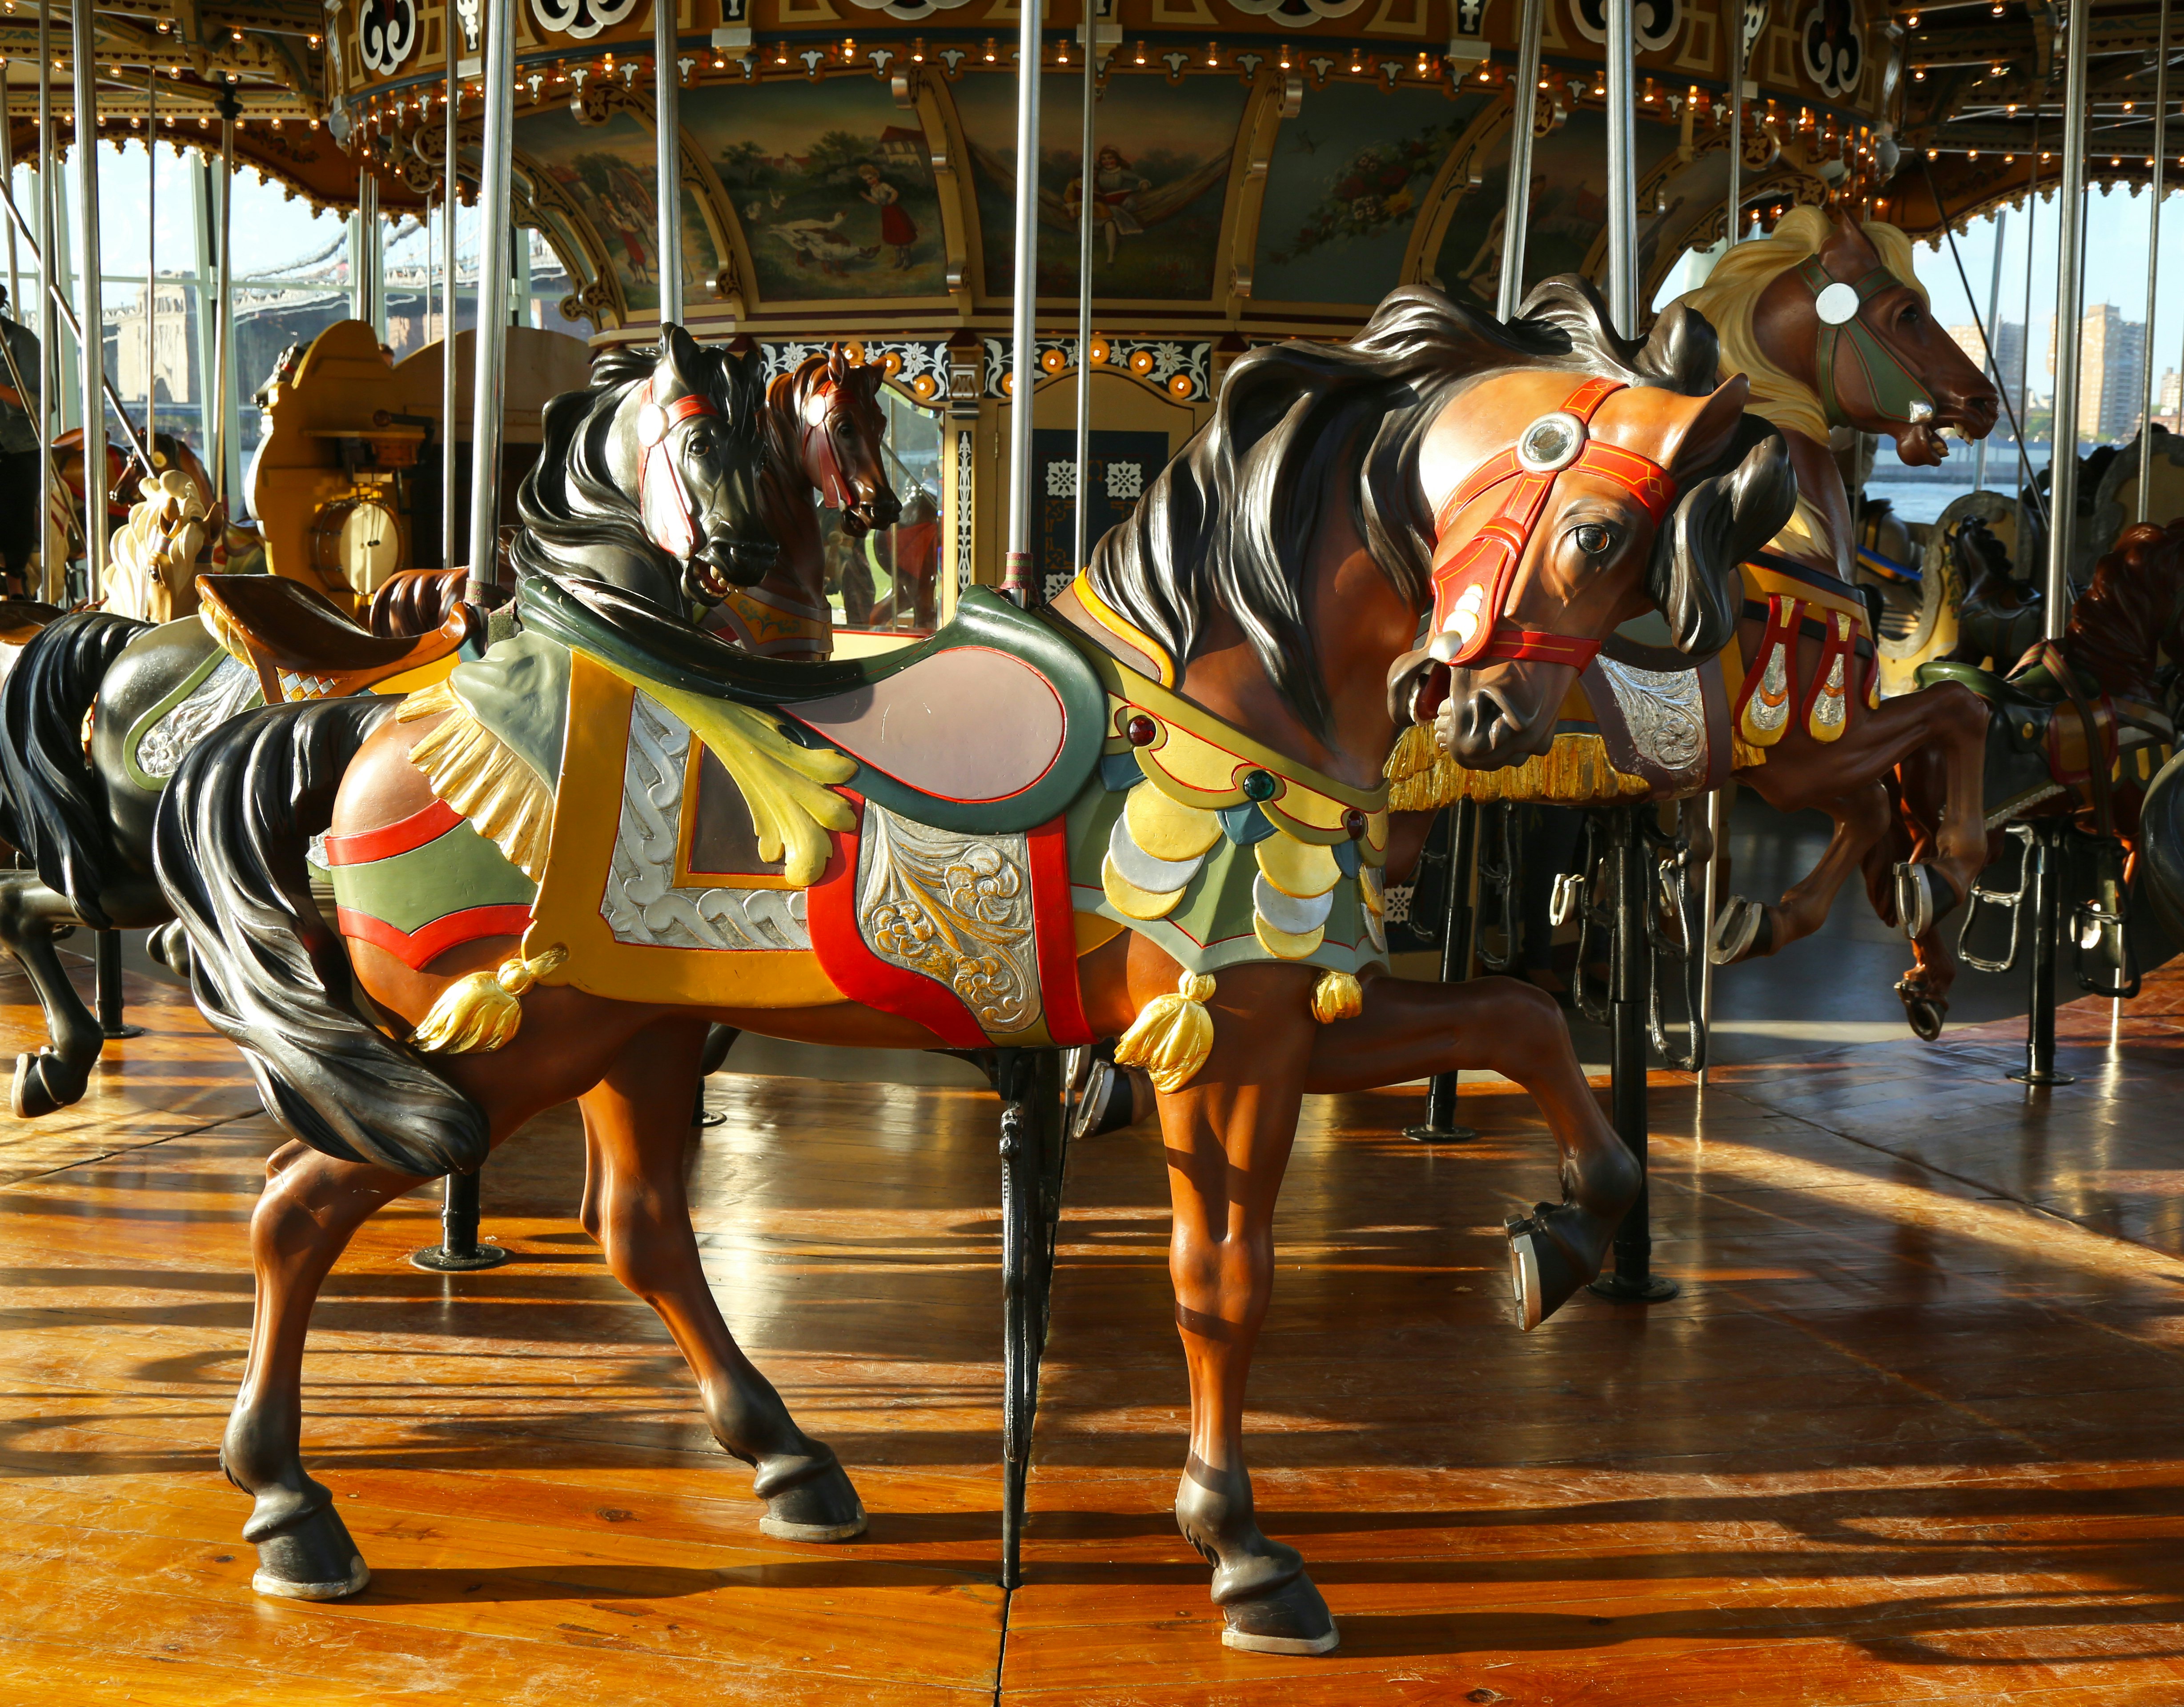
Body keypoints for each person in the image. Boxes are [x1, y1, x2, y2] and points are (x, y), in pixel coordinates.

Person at [0, 287, 43, 594]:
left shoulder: (20, 341)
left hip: (14, 448)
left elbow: (37, 401)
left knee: (15, 523)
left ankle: (17, 585)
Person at [856, 162, 918, 270]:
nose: (869, 182)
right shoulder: (872, 190)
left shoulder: (884, 186)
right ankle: (899, 259)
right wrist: (866, 197)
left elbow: (895, 192)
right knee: (894, 236)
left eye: (871, 178)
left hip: (895, 211)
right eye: (866, 180)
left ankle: (908, 260)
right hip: (886, 213)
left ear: (876, 176)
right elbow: (876, 202)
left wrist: (891, 200)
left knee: (902, 234)